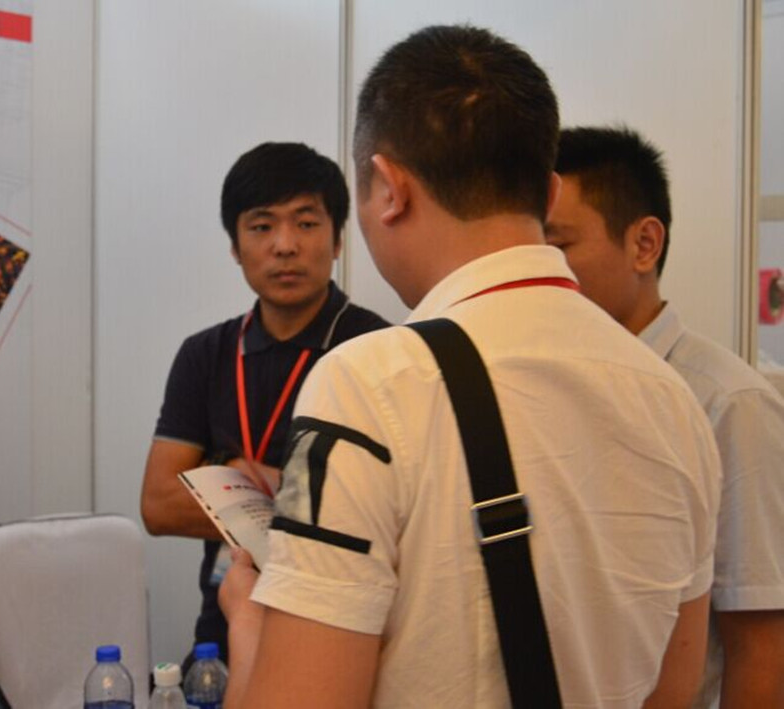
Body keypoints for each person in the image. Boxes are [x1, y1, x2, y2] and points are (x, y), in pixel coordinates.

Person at [218, 25, 721, 708]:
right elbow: (673, 690)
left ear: (388, 188)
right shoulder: (672, 397)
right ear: (548, 194)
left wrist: (249, 622)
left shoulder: (367, 382)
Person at [547, 125, 784, 708]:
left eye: (558, 246)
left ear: (644, 244)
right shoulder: (548, 381)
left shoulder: (729, 404)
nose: (540, 271)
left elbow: (760, 644)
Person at [140, 142, 388, 665]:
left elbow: (391, 513)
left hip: (341, 632)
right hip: (222, 628)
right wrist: (298, 500)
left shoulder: (379, 350)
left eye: (306, 223)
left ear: (338, 239)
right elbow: (159, 505)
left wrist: (234, 481)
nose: (284, 246)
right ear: (235, 246)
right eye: (261, 226)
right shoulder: (206, 354)